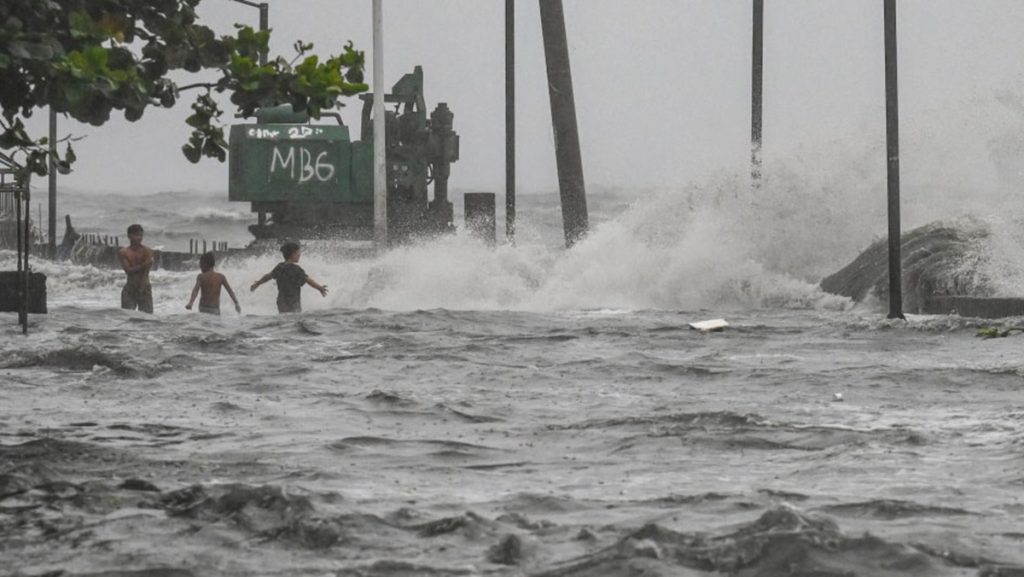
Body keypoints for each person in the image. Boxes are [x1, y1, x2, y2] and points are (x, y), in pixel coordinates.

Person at [250, 242, 328, 313]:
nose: (299, 255)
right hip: (293, 301)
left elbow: (267, 276)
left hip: (281, 301)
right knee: (294, 320)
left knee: (284, 320)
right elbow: (308, 280)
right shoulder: (296, 269)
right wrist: (320, 288)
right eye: (298, 252)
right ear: (293, 254)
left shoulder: (279, 267)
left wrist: (257, 283)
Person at [118, 223, 154, 313]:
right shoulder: (124, 252)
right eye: (136, 235)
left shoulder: (147, 251)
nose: (139, 238)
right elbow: (128, 270)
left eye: (141, 235)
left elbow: (146, 273)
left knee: (147, 319)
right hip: (130, 289)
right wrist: (143, 265)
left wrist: (141, 289)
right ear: (129, 236)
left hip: (144, 288)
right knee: (127, 317)